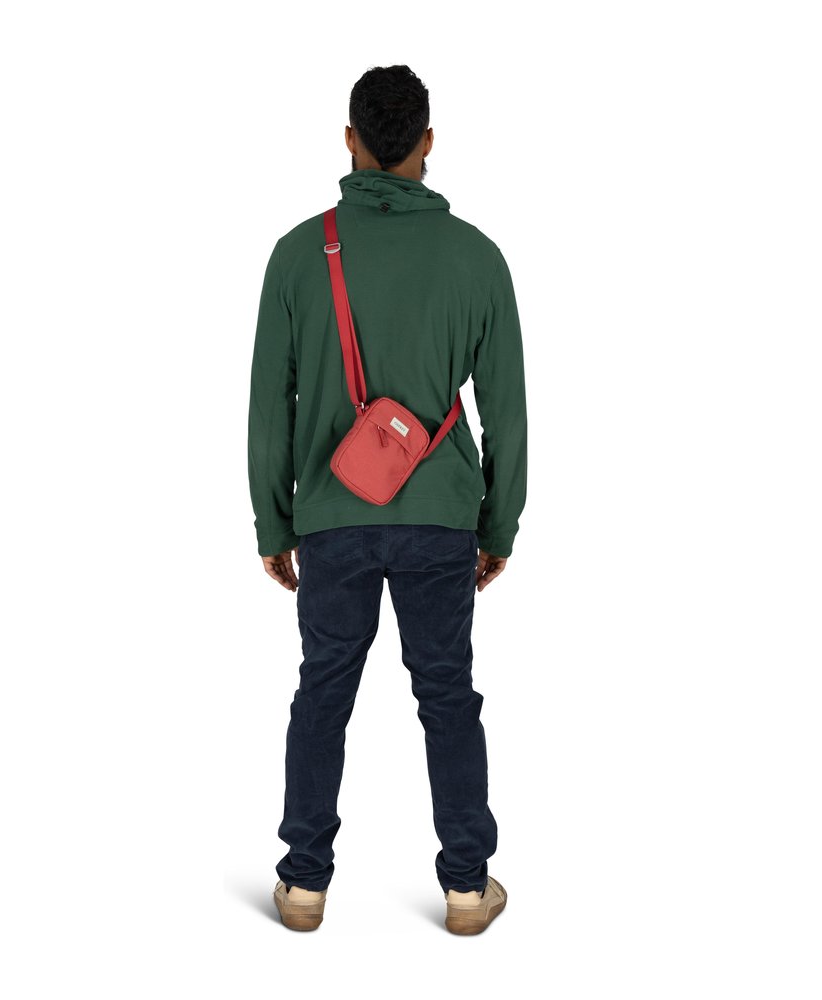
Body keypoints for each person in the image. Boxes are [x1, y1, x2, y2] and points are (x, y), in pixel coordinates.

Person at [247, 65, 527, 935]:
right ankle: (467, 888)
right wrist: (499, 524)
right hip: (442, 517)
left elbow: (270, 405)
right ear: (428, 143)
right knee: (447, 695)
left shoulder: (300, 253)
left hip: (332, 517)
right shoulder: (478, 258)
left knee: (322, 693)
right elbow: (508, 410)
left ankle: (303, 885)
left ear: (350, 141)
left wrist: (273, 521)